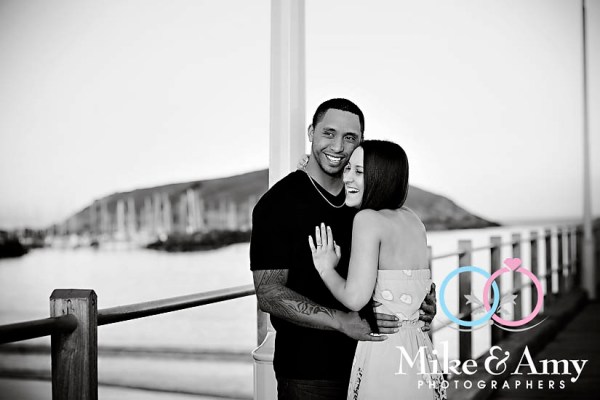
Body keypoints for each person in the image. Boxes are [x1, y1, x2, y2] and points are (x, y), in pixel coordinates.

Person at [250, 99, 436, 400]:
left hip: (377, 360)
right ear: (311, 132)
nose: (338, 146)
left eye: (350, 137)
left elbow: (396, 265)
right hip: (312, 372)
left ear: (360, 142)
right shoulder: (278, 204)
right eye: (329, 133)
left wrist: (420, 300)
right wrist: (341, 321)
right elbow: (268, 292)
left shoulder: (366, 202)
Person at [309, 140, 446, 399]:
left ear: (381, 177)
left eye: (359, 171)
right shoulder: (413, 220)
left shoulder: (368, 219)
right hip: (419, 350)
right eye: (347, 168)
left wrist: (326, 268)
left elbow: (355, 298)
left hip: (386, 351)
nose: (347, 178)